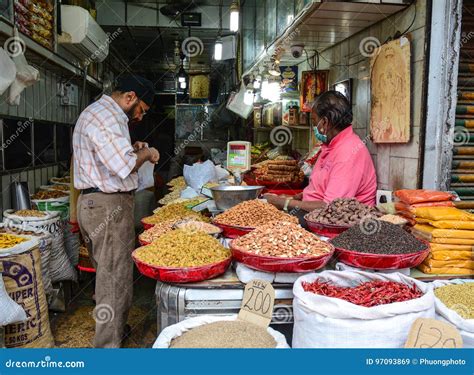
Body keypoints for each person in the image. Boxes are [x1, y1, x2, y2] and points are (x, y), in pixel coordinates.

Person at [73, 75, 160, 348]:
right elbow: (123, 167)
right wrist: (148, 154)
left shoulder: (99, 113)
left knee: (109, 275)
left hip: (95, 204)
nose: (140, 117)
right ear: (130, 97)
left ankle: (116, 329)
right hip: (107, 207)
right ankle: (107, 348)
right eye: (141, 110)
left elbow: (110, 158)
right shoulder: (107, 117)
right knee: (113, 279)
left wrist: (132, 149)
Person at [264, 90, 377, 213]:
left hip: (332, 223)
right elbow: (321, 189)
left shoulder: (348, 152)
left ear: (325, 122)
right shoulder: (331, 145)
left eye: (314, 122)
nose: (314, 128)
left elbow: (330, 207)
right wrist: (297, 197)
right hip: (313, 214)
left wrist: (284, 203)